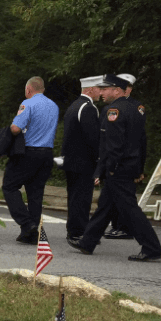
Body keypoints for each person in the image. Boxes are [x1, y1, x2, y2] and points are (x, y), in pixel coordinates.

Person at [69, 75, 161, 261]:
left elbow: (112, 146)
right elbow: (141, 141)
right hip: (129, 165)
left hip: (118, 168)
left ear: (117, 90)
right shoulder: (136, 108)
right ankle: (88, 242)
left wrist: (106, 170)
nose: (101, 92)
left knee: (129, 209)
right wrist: (139, 167)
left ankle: (152, 247)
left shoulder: (114, 111)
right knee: (105, 207)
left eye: (105, 89)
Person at [2, 76, 60, 243]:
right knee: (35, 193)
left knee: (9, 186)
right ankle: (33, 232)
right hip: (47, 153)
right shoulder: (54, 106)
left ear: (28, 90)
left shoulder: (27, 104)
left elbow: (15, 128)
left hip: (28, 152)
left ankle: (27, 224)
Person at [60, 76, 103, 243]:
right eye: (99, 88)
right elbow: (93, 138)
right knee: (82, 198)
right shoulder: (88, 108)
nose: (100, 92)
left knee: (74, 196)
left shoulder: (74, 106)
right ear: (90, 89)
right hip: (83, 162)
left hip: (71, 160)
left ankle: (74, 229)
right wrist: (98, 161)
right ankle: (78, 231)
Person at [104, 73, 142, 240]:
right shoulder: (131, 108)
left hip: (122, 163)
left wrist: (111, 165)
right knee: (106, 203)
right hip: (126, 161)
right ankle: (90, 239)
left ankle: (126, 228)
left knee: (127, 203)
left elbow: (118, 142)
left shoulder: (122, 109)